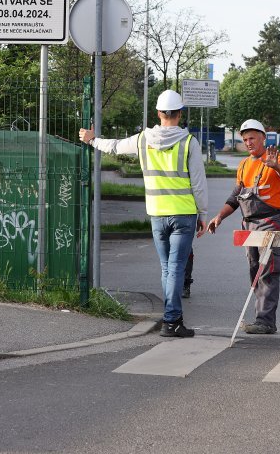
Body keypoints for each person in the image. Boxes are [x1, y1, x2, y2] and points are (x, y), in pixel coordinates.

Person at [79, 89, 207, 337]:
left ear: (159, 113)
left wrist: (93, 140)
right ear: (180, 114)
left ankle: (172, 318)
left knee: (166, 268)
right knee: (177, 267)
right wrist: (202, 214)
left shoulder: (142, 139)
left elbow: (115, 147)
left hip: (157, 214)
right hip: (183, 215)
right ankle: (172, 321)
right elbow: (198, 184)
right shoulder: (189, 142)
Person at [207, 119, 280, 334]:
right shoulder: (244, 165)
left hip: (269, 222)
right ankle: (261, 317)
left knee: (268, 270)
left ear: (263, 137)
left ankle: (265, 321)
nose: (248, 142)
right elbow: (236, 196)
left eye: (252, 138)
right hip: (249, 224)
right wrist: (220, 216)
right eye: (245, 139)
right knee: (255, 270)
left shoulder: (273, 157)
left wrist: (275, 166)